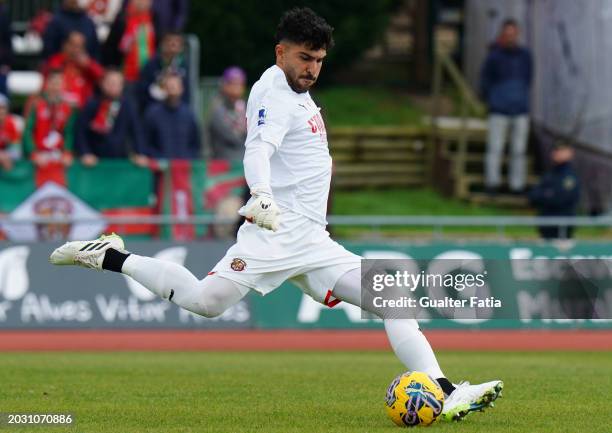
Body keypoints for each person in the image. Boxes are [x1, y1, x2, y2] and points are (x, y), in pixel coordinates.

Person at [50, 7, 502, 422]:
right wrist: (261, 194)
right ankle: (110, 255)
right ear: (281, 52)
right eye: (305, 58)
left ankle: (445, 390)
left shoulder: (297, 90)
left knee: (393, 299)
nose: (312, 68)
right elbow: (258, 150)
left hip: (313, 240)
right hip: (274, 234)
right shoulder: (273, 92)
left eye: (320, 60)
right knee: (206, 303)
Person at [480, 19, 532, 194]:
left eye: (513, 34)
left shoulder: (525, 56)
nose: (510, 37)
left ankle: (516, 185)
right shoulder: (494, 57)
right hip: (499, 110)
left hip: (520, 109)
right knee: (495, 148)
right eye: (507, 34)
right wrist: (492, 100)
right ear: (503, 34)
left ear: (517, 34)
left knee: (519, 150)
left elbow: (528, 79)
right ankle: (492, 183)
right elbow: (485, 81)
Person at [75, 68, 148, 166]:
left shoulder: (128, 106)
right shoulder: (92, 104)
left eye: (117, 83)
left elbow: (136, 131)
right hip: (95, 161)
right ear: (102, 84)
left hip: (120, 159)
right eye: (109, 82)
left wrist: (140, 153)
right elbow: (80, 131)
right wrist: (85, 153)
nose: (113, 86)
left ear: (122, 86)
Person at [23, 69, 76, 186]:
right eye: (53, 83)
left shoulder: (67, 107)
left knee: (59, 191)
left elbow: (69, 132)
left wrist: (67, 152)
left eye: (59, 83)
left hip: (58, 157)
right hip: (39, 157)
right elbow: (27, 131)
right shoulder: (36, 104)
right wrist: (33, 153)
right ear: (47, 84)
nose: (56, 87)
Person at [142, 72, 200, 159]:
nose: (173, 90)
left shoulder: (189, 115)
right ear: (164, 89)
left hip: (183, 168)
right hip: (159, 169)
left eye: (175, 86)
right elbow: (146, 143)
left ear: (182, 89)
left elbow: (195, 144)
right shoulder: (152, 114)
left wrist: (187, 159)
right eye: (170, 87)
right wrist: (158, 159)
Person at [528, 143, 580, 239]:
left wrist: (545, 196)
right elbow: (533, 196)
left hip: (562, 225)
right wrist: (548, 195)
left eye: (561, 151)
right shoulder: (549, 174)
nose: (557, 154)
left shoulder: (570, 176)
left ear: (570, 153)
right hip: (546, 223)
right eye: (556, 151)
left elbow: (562, 199)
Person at [43, 31, 105, 108]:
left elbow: (103, 79)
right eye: (73, 45)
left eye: (80, 46)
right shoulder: (56, 61)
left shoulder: (87, 64)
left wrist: (89, 65)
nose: (76, 49)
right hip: (59, 109)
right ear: (65, 45)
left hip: (82, 110)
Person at [103, 0, 156, 84]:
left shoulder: (153, 20)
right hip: (124, 73)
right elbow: (110, 47)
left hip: (147, 74)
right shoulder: (123, 19)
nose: (142, 2)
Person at [137, 31, 189, 111]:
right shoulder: (151, 65)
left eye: (176, 43)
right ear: (162, 44)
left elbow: (186, 93)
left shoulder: (183, 66)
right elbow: (143, 91)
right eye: (169, 42)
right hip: (154, 110)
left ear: (181, 47)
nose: (172, 47)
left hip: (177, 110)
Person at [206, 66, 248, 161]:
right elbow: (231, 137)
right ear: (224, 85)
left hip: (244, 163)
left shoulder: (247, 107)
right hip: (223, 163)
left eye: (239, 83)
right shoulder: (216, 109)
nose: (236, 87)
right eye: (233, 83)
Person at [0, 94, 20, 171]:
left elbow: (16, 145)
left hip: (7, 151)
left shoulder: (10, 122)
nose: (1, 111)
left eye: (3, 108)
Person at [0, 0, 12, 97]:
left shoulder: (3, 15)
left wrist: (6, 63)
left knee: (2, 100)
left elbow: (7, 41)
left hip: (1, 65)